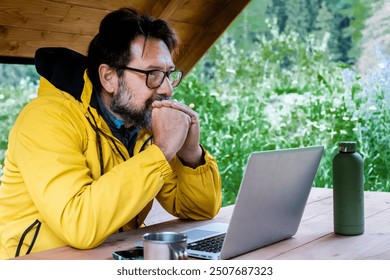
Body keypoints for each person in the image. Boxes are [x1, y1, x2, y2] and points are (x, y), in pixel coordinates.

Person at [0, 8, 222, 259]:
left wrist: (191, 155)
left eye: (169, 74)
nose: (167, 89)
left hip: (108, 259)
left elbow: (199, 210)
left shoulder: (140, 124)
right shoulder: (45, 119)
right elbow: (80, 225)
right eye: (153, 75)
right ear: (108, 77)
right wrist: (162, 151)